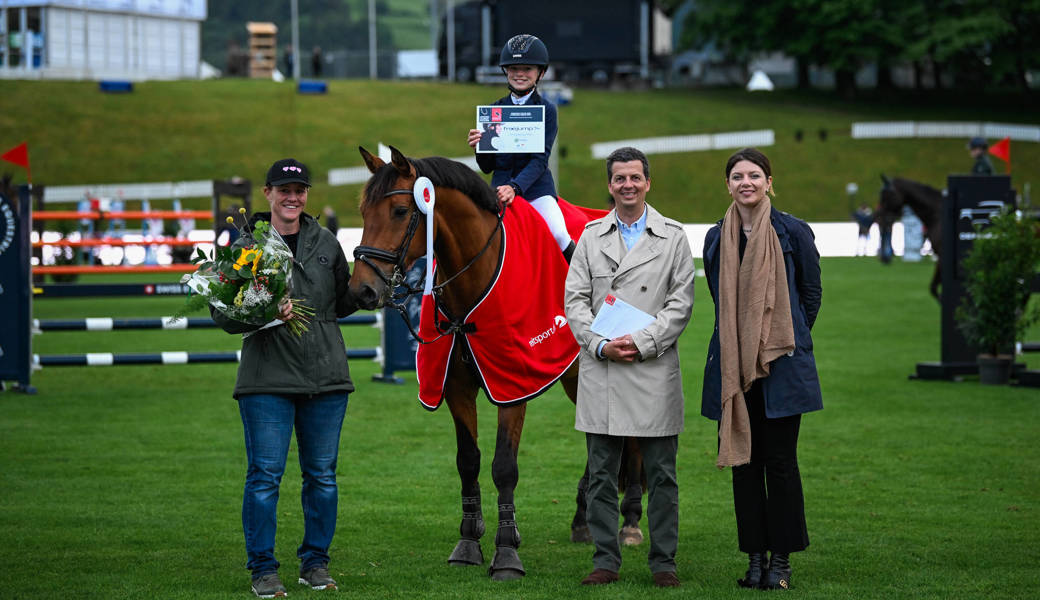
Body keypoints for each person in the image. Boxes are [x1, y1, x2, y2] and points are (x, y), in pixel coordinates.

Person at [212, 158, 358, 598]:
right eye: (284, 189)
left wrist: (378, 284)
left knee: (323, 477)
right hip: (267, 381)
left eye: (300, 189)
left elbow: (342, 302)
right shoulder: (246, 245)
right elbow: (222, 314)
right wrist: (263, 310)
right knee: (264, 477)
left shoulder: (327, 241)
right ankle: (263, 569)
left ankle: (315, 563)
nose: (292, 197)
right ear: (268, 193)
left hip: (325, 379)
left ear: (306, 194)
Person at [564, 146, 695, 588]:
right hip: (601, 368)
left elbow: (680, 305)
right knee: (601, 474)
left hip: (652, 367)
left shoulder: (674, 237)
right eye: (619, 178)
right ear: (609, 185)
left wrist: (639, 344)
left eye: (635, 177)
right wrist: (601, 346)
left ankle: (663, 563)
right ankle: (605, 559)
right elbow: (574, 301)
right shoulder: (589, 236)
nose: (627, 185)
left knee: (661, 475)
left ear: (648, 183)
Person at [700, 147, 822, 591]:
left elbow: (810, 295)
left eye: (754, 175)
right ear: (728, 185)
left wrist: (780, 339)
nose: (745, 182)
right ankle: (755, 559)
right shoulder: (717, 238)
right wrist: (743, 344)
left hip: (782, 366)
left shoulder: (792, 232)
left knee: (781, 464)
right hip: (734, 366)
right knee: (743, 464)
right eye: (737, 176)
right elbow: (720, 299)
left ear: (769, 182)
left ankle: (782, 563)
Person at [466, 34, 574, 261]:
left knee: (558, 234)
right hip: (498, 191)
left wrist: (514, 188)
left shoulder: (547, 110)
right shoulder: (493, 110)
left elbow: (539, 160)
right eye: (514, 68)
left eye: (527, 69)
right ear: (506, 71)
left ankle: (582, 286)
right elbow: (487, 168)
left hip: (536, 190)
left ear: (540, 73)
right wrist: (479, 147)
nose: (519, 74)